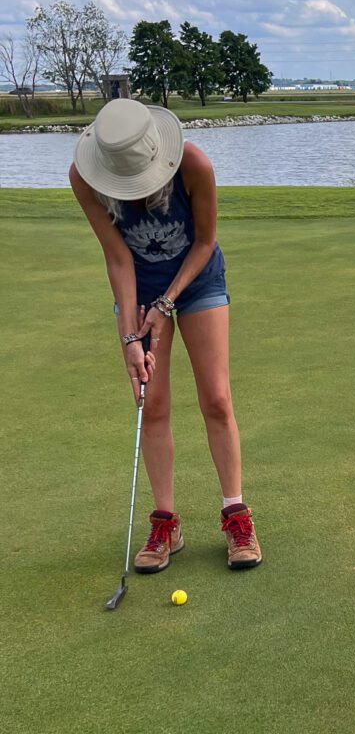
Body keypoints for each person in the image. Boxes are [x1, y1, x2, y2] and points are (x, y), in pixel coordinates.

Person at [69, 98, 262, 574]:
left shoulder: (194, 164)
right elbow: (117, 258)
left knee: (216, 398)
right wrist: (129, 340)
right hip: (138, 290)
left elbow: (204, 241)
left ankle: (237, 514)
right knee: (150, 403)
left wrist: (167, 302)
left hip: (198, 282)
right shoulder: (82, 178)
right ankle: (166, 523)